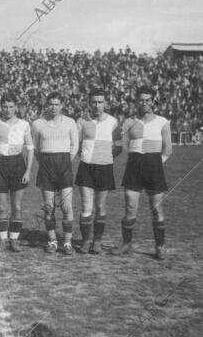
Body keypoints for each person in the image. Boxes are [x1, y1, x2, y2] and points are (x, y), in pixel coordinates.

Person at [114, 86, 172, 260]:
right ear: (137, 101)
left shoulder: (162, 121)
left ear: (153, 101)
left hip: (154, 168)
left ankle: (160, 247)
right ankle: (127, 244)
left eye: (148, 100)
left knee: (157, 209)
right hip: (134, 167)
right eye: (141, 100)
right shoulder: (129, 121)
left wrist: (156, 163)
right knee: (130, 207)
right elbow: (119, 143)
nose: (145, 103)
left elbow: (168, 149)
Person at [31, 93, 79, 255]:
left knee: (67, 206)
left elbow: (74, 145)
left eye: (57, 104)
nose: (53, 107)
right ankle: (52, 241)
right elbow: (36, 148)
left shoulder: (70, 122)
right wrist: (46, 162)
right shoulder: (38, 124)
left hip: (64, 166)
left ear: (62, 105)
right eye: (51, 104)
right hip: (46, 168)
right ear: (47, 105)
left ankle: (67, 243)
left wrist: (65, 162)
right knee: (49, 207)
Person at [0, 94, 34, 253]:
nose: (8, 110)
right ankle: (2, 240)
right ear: (1, 107)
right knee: (1, 207)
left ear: (16, 107)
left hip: (18, 165)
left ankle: (14, 240)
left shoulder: (24, 124)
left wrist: (28, 170)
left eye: (11, 106)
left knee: (17, 207)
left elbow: (30, 149)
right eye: (5, 107)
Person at [75, 91, 122, 254]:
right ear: (89, 103)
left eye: (100, 102)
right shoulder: (81, 121)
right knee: (86, 206)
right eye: (94, 102)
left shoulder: (114, 122)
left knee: (100, 206)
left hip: (104, 167)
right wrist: (86, 157)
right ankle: (86, 241)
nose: (97, 105)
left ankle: (97, 241)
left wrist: (106, 158)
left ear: (105, 103)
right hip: (86, 168)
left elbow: (119, 146)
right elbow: (77, 145)